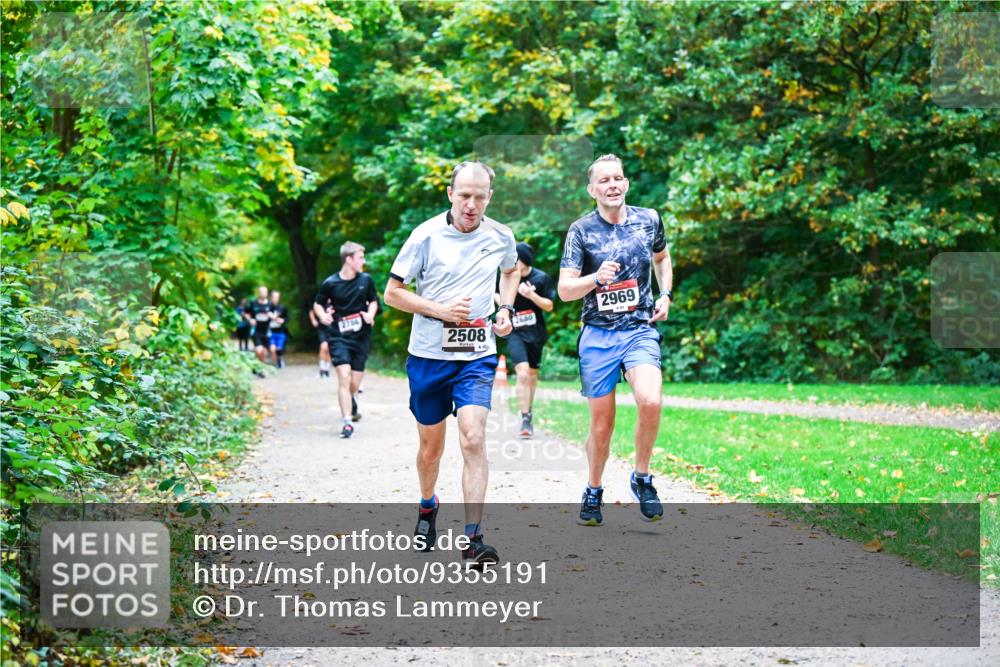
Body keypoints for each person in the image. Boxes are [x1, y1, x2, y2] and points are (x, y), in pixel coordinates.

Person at [384, 161, 519, 567]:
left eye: (480, 197)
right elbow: (393, 293)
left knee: (473, 437)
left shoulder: (501, 236)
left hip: (476, 356)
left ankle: (473, 538)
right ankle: (428, 506)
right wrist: (441, 310)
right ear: (450, 193)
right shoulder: (424, 236)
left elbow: (510, 271)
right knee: (431, 448)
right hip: (428, 357)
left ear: (489, 197)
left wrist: (506, 307)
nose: (472, 204)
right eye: (464, 195)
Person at [557, 154, 673, 526]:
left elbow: (663, 257)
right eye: (604, 180)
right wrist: (595, 278)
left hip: (639, 329)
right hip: (598, 335)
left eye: (618, 178)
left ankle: (642, 477)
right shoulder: (581, 231)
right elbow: (564, 290)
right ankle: (593, 490)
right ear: (593, 190)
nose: (613, 185)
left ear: (626, 184)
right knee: (602, 427)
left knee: (651, 399)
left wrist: (665, 293)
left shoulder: (648, 219)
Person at [314, 242, 380, 439]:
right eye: (360, 257)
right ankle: (347, 422)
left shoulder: (366, 280)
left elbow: (374, 301)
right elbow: (318, 304)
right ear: (349, 260)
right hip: (338, 336)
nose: (364, 261)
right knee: (344, 375)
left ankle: (352, 398)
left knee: (353, 382)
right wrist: (322, 316)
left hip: (361, 336)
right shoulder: (330, 283)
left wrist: (370, 313)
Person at [495, 242, 556, 438]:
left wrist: (531, 295)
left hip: (536, 333)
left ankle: (528, 410)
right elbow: (495, 293)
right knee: (522, 373)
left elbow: (549, 306)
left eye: (517, 261)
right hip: (514, 332)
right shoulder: (507, 275)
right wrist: (504, 302)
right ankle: (525, 417)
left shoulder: (541, 278)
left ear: (526, 261)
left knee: (531, 375)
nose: (514, 264)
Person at [246, 286, 273, 377]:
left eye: (265, 292)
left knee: (264, 353)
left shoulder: (270, 304)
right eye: (261, 292)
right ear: (258, 293)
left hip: (266, 331)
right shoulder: (253, 303)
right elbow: (246, 313)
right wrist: (250, 320)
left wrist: (272, 316)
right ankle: (259, 368)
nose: (263, 293)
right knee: (259, 350)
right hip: (256, 331)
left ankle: (258, 367)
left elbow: (276, 315)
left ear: (267, 293)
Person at [268, 291, 290, 369]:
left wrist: (283, 320)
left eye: (277, 297)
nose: (275, 299)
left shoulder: (282, 307)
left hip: (281, 332)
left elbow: (288, 317)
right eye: (274, 297)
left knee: (279, 349)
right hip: (271, 332)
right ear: (271, 297)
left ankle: (280, 359)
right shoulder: (267, 307)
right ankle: (275, 364)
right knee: (272, 349)